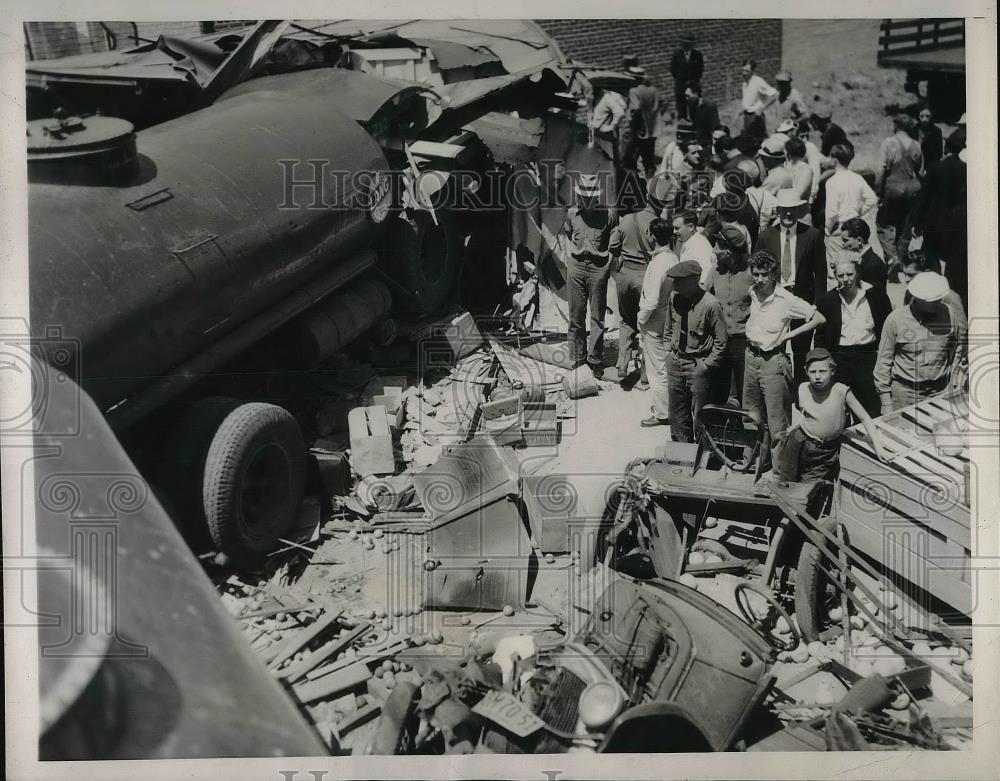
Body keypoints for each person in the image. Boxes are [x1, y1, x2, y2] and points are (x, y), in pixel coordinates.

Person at [743, 251, 826, 467]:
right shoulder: (752, 291)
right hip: (751, 357)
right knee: (750, 416)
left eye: (764, 275)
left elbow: (818, 318)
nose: (760, 279)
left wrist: (789, 335)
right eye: (756, 274)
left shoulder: (786, 299)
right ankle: (752, 463)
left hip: (774, 362)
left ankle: (781, 471)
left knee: (777, 423)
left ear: (773, 274)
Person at [775, 348, 890, 482]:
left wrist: (878, 447)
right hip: (798, 443)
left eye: (822, 371)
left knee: (808, 489)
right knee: (787, 482)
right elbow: (805, 412)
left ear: (832, 371)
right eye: (813, 372)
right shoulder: (803, 388)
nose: (817, 376)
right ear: (806, 371)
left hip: (824, 451)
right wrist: (796, 425)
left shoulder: (841, 390)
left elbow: (865, 417)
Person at [755, 190, 827, 380]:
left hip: (801, 297)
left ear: (799, 210)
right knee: (773, 343)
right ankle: (777, 385)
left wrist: (819, 302)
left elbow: (821, 273)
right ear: (778, 210)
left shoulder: (812, 235)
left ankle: (800, 391)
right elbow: (757, 269)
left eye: (792, 210)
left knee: (801, 348)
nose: (788, 214)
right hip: (775, 297)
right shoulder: (766, 236)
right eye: (784, 210)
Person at [874, 271, 967, 414]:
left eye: (939, 299)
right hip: (905, 393)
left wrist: (953, 382)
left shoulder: (950, 314)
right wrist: (886, 403)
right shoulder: (895, 320)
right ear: (917, 298)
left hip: (940, 390)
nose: (937, 303)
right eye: (932, 301)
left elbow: (958, 348)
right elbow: (883, 363)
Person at [814, 259, 892, 417]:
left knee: (869, 407)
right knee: (838, 408)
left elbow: (887, 326)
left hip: (868, 357)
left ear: (857, 274)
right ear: (835, 276)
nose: (846, 279)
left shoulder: (875, 294)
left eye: (850, 274)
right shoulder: (826, 300)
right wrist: (823, 361)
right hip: (840, 358)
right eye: (840, 275)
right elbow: (820, 336)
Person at [663, 260, 728, 442]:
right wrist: (668, 352)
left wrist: (706, 365)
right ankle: (682, 453)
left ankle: (704, 452)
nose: (674, 285)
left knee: (701, 413)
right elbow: (668, 327)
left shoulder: (711, 305)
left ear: (694, 280)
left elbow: (721, 341)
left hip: (697, 365)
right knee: (676, 413)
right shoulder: (674, 297)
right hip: (675, 362)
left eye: (679, 281)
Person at [609, 179, 666, 381]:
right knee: (646, 323)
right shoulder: (660, 225)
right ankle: (644, 373)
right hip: (645, 273)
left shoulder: (627, 219)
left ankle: (622, 365)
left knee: (625, 320)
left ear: (648, 198)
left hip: (625, 275)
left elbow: (612, 246)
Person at [563, 174, 614, 379]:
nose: (585, 200)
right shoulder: (572, 213)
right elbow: (567, 235)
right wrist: (570, 255)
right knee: (576, 316)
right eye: (582, 196)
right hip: (576, 267)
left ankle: (595, 360)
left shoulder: (608, 214)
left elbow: (614, 239)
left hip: (598, 269)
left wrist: (607, 261)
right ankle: (578, 357)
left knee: (597, 317)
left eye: (589, 196)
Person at [908, 129, 967, 307]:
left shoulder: (935, 168)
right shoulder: (965, 169)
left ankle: (930, 294)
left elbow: (923, 198)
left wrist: (916, 222)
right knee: (952, 264)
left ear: (946, 147)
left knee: (930, 261)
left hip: (934, 224)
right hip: (956, 225)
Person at [637, 219, 680, 427]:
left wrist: (640, 319)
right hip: (670, 317)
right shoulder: (673, 258)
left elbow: (652, 300)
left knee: (657, 370)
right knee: (667, 366)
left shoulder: (657, 264)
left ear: (652, 237)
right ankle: (672, 408)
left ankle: (662, 413)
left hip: (655, 321)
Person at [705, 224, 753, 403]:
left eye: (717, 247)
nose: (713, 250)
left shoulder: (752, 273)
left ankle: (745, 427)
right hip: (719, 340)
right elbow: (703, 298)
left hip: (744, 342)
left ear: (728, 252)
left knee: (744, 388)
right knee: (718, 387)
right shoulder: (715, 272)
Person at [824, 144, 882, 271]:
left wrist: (827, 230)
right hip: (855, 227)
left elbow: (832, 212)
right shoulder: (857, 178)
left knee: (835, 268)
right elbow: (872, 199)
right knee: (854, 267)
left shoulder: (832, 182)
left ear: (835, 160)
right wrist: (860, 213)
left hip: (839, 228)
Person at [877, 114, 923, 262]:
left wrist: (879, 191)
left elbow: (882, 169)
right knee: (905, 224)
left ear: (896, 126)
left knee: (884, 223)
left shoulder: (889, 143)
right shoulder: (916, 144)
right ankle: (901, 258)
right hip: (913, 187)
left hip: (894, 187)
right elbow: (920, 171)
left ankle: (891, 258)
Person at [625, 68, 659, 180]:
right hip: (652, 130)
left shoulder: (633, 91)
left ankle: (635, 186)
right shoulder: (653, 90)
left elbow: (636, 109)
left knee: (631, 160)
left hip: (639, 132)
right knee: (649, 162)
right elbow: (656, 108)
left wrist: (632, 124)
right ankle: (651, 187)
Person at [778, 118, 821, 204]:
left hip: (805, 190)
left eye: (786, 132)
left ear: (794, 131)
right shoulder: (785, 146)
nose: (783, 135)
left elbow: (815, 170)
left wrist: (812, 193)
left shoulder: (809, 147)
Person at [840, 217, 888, 289]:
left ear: (859, 240)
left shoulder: (873, 265)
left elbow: (873, 295)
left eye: (845, 240)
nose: (842, 244)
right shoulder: (863, 260)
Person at [673, 210, 715, 285]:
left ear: (691, 227)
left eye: (677, 228)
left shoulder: (699, 244)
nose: (674, 231)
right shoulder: (689, 241)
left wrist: (696, 294)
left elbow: (706, 274)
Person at [740, 60, 778, 140]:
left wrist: (762, 108)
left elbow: (774, 95)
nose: (744, 73)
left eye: (747, 71)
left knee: (758, 140)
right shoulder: (745, 82)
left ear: (753, 71)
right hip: (747, 116)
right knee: (748, 141)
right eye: (743, 70)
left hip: (756, 117)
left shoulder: (758, 81)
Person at [670, 34, 704, 121]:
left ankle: (695, 129)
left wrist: (692, 85)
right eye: (684, 44)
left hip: (694, 86)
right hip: (680, 86)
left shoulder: (698, 55)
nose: (686, 46)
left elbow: (700, 71)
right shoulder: (677, 55)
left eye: (689, 44)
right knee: (681, 112)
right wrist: (682, 81)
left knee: (695, 111)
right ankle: (683, 129)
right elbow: (673, 71)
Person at [685, 82, 721, 147]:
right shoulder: (692, 107)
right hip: (697, 144)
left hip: (708, 145)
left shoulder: (709, 107)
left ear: (696, 94)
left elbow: (716, 131)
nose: (686, 99)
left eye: (688, 96)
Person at [917, 106, 943, 173]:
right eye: (922, 116)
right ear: (918, 117)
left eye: (927, 116)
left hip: (930, 167)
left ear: (931, 117)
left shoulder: (936, 131)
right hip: (916, 166)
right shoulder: (914, 130)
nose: (924, 119)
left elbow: (939, 153)